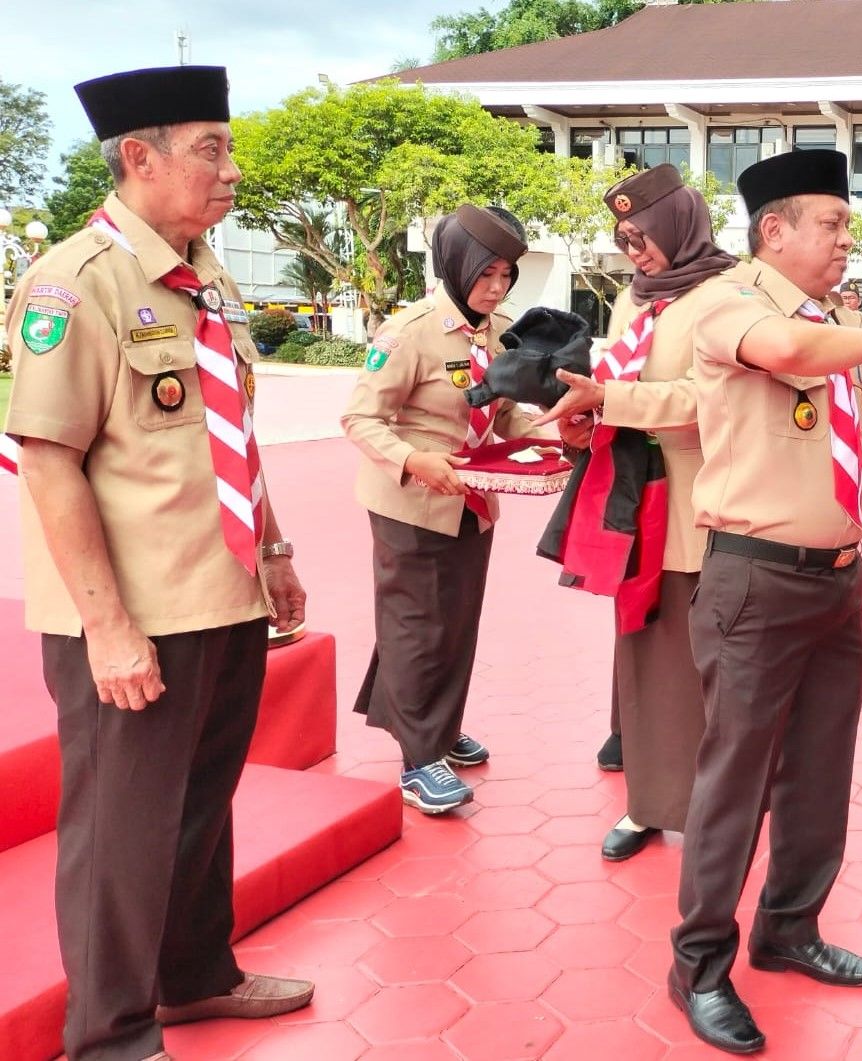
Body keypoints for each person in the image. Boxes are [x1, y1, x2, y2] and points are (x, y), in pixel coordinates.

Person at [3, 65, 314, 1060]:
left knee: (199, 806)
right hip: (134, 612)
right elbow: (47, 459)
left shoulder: (205, 273)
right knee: (120, 833)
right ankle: (110, 1033)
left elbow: (230, 431)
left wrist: (272, 547)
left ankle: (193, 975)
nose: (231, 170)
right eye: (210, 149)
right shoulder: (73, 282)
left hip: (219, 592)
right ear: (139, 158)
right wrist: (106, 623)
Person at [665, 149, 862, 1055]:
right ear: (775, 231)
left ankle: (789, 928)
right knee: (733, 781)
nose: (848, 241)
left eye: (848, 225)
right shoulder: (734, 306)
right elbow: (792, 353)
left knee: (818, 769)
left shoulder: (835, 320)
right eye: (833, 225)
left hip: (837, 581)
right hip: (753, 581)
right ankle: (698, 963)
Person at [341, 204, 588, 814]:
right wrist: (412, 460)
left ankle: (440, 727)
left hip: (472, 500)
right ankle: (418, 760)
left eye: (507, 276)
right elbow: (359, 417)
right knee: (416, 626)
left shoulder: (495, 330)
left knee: (453, 622)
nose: (497, 288)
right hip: (412, 503)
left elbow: (501, 411)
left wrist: (552, 433)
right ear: (455, 266)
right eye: (487, 275)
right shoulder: (410, 332)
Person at [532, 163, 739, 861]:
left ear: (681, 224)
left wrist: (611, 402)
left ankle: (720, 809)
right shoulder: (634, 300)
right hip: (635, 503)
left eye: (644, 235)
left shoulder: (725, 296)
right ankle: (649, 804)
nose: (636, 252)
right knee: (644, 664)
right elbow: (615, 383)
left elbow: (708, 398)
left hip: (704, 506)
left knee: (709, 667)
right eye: (624, 240)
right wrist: (586, 420)